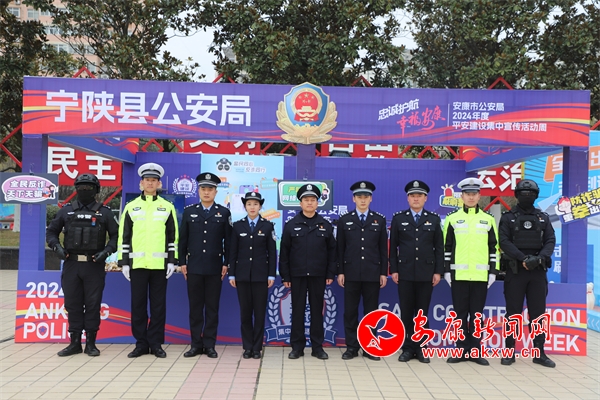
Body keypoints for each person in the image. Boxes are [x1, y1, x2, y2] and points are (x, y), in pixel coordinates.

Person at [47, 173, 119, 357]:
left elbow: (116, 236)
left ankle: (91, 344)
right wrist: (57, 248)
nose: (85, 190)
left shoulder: (104, 212)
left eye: (89, 187)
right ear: (76, 189)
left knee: (93, 304)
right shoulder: (66, 211)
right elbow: (51, 232)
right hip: (71, 264)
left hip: (94, 265)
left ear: (96, 190)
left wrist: (107, 252)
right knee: (73, 304)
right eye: (81, 187)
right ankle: (75, 343)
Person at [118, 163, 178, 358]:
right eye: (147, 180)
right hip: (137, 266)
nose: (150, 183)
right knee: (138, 306)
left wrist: (172, 261)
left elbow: (173, 237)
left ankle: (156, 344)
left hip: (160, 266)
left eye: (154, 180)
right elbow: (124, 237)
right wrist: (124, 262)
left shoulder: (167, 207)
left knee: (158, 307)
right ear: (141, 183)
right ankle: (141, 344)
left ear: (159, 183)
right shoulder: (131, 207)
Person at [499, 179, 556, 368]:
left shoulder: (543, 218)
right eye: (523, 193)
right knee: (513, 314)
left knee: (538, 314)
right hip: (516, 271)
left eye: (530, 193)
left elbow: (550, 240)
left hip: (537, 272)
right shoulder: (508, 218)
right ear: (517, 195)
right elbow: (504, 241)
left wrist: (539, 259)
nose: (527, 196)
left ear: (536, 195)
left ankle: (539, 353)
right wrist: (523, 258)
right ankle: (509, 351)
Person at [443, 177, 498, 366]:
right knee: (460, 315)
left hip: (481, 277)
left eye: (474, 194)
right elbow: (446, 247)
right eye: (468, 194)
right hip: (458, 276)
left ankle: (475, 350)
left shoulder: (488, 219)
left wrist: (493, 272)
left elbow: (494, 248)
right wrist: (447, 271)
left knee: (476, 315)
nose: (471, 197)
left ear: (479, 196)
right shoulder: (452, 218)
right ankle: (461, 349)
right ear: (462, 196)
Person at [279, 184, 336, 360]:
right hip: (297, 275)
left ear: (317, 203)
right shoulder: (291, 225)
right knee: (297, 310)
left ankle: (317, 347)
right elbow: (284, 253)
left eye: (312, 200)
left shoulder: (325, 225)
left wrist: (330, 273)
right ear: (301, 203)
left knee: (317, 311)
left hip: (318, 275)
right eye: (306, 200)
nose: (309, 203)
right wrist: (285, 276)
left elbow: (332, 252)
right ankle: (297, 347)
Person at [179, 172, 232, 358]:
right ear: (198, 191)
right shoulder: (189, 212)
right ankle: (195, 345)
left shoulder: (223, 213)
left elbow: (229, 241)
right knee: (195, 309)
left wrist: (226, 263)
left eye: (210, 189)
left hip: (214, 267)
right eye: (203, 189)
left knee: (212, 308)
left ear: (216, 192)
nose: (206, 192)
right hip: (193, 267)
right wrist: (182, 262)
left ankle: (209, 345)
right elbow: (182, 240)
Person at [390, 180, 443, 363]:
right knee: (406, 313)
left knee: (422, 312)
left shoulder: (434, 219)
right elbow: (393, 247)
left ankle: (421, 348)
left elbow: (439, 248)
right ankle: (407, 348)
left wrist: (438, 271)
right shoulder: (398, 218)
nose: (416, 199)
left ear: (425, 198)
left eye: (419, 196)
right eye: (412, 196)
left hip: (426, 273)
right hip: (404, 272)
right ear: (408, 198)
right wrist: (394, 269)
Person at [336, 181, 388, 361]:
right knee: (350, 312)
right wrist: (340, 272)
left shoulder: (379, 220)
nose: (363, 200)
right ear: (354, 199)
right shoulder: (345, 220)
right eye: (359, 197)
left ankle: (369, 347)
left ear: (371, 199)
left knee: (371, 313)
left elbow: (383, 249)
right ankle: (351, 347)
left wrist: (383, 272)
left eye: (366, 197)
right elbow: (340, 249)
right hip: (350, 273)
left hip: (372, 273)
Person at [228, 191, 277, 359]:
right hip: (242, 276)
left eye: (255, 204)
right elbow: (233, 252)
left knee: (259, 313)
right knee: (245, 313)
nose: (252, 207)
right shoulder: (237, 226)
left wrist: (271, 275)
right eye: (249, 204)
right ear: (245, 207)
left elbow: (272, 253)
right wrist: (232, 274)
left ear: (260, 206)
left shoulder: (268, 226)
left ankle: (257, 348)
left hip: (261, 276)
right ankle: (247, 347)